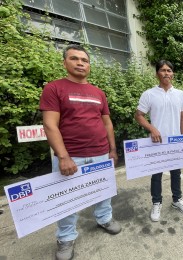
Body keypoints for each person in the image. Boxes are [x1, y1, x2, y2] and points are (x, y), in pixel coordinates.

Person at [40, 44, 122, 260]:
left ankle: (104, 218)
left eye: (84, 60)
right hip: (71, 156)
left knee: (103, 190)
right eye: (74, 59)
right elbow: (50, 125)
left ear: (89, 65)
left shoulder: (98, 93)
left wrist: (112, 150)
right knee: (67, 199)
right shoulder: (54, 88)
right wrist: (63, 156)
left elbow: (107, 124)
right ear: (64, 62)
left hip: (100, 153)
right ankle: (66, 237)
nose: (80, 63)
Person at [135, 60, 183, 222]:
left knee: (176, 173)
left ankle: (177, 199)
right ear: (157, 73)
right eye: (163, 70)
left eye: (169, 70)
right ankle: (156, 202)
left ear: (172, 74)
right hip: (156, 143)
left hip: (174, 142)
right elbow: (138, 115)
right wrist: (152, 129)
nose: (166, 73)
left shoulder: (180, 94)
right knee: (156, 174)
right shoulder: (149, 94)